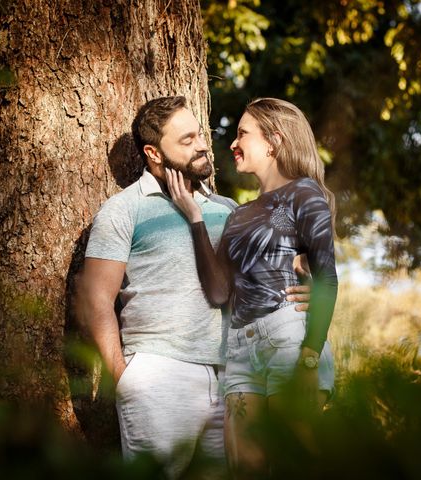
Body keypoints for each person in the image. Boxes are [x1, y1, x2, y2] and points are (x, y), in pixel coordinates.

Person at [76, 96, 311, 479]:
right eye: (186, 140)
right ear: (153, 153)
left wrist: (309, 291)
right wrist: (124, 377)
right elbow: (97, 299)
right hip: (159, 374)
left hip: (232, 379)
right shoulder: (124, 210)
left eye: (200, 133)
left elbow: (264, 283)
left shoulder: (229, 209)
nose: (203, 144)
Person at [166, 97, 338, 478]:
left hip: (290, 340)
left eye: (243, 133)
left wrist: (309, 360)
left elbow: (326, 278)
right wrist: (194, 220)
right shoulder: (239, 214)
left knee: (299, 462)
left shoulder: (305, 193)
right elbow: (219, 293)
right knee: (246, 469)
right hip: (241, 347)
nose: (232, 143)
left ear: (273, 141)